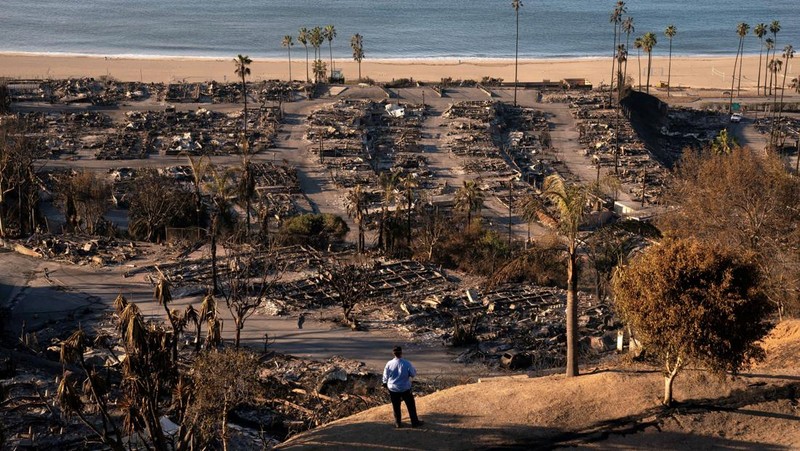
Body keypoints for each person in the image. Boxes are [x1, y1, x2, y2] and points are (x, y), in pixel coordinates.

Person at [382, 346, 423, 428]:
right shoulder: (407, 363)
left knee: (396, 406)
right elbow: (413, 374)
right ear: (401, 352)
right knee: (410, 405)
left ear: (393, 353)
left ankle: (398, 423)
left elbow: (385, 376)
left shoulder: (389, 363)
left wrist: (384, 383)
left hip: (393, 388)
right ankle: (414, 422)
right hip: (405, 388)